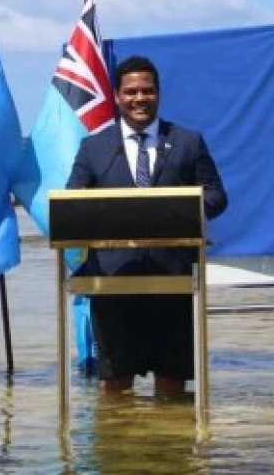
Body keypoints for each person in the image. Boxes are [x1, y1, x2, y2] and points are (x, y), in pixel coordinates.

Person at [66, 55, 228, 395]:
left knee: (171, 384)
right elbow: (72, 200)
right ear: (117, 96)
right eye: (131, 92)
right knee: (115, 384)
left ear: (158, 93)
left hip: (172, 277)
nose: (140, 98)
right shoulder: (94, 148)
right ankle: (117, 446)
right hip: (111, 279)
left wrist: (180, 211)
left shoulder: (187, 142)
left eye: (147, 91)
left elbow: (216, 196)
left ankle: (167, 447)